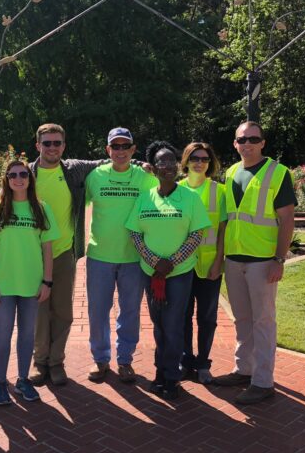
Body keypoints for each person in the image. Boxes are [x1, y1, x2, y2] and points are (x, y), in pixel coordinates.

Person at [214, 121, 296, 405]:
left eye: (253, 138)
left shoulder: (278, 173)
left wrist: (279, 259)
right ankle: (243, 369)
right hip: (235, 259)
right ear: (235, 144)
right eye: (241, 139)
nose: (246, 143)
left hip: (263, 261)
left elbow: (287, 218)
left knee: (263, 321)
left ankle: (263, 382)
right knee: (242, 319)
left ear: (263, 142)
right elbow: (228, 220)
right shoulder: (231, 172)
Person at [126, 141, 210, 400]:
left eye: (172, 161)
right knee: (159, 325)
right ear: (154, 167)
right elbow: (134, 232)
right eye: (161, 162)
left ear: (178, 165)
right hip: (151, 273)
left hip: (179, 274)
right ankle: (160, 372)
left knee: (173, 325)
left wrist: (172, 261)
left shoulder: (190, 198)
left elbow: (197, 233)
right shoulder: (145, 197)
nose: (167, 166)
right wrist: (153, 261)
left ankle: (171, 376)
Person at [27, 123, 107, 387]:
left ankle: (56, 362)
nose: (52, 148)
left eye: (57, 143)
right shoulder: (26, 173)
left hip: (63, 253)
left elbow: (110, 159)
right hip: (31, 253)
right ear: (37, 145)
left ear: (64, 145)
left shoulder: (73, 170)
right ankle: (39, 362)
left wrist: (143, 165)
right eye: (47, 143)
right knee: (38, 311)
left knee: (62, 311)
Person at [85, 128, 157, 383]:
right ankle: (101, 359)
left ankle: (125, 360)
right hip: (100, 255)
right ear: (107, 150)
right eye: (115, 146)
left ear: (133, 149)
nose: (120, 151)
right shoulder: (95, 177)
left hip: (133, 257)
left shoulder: (145, 178)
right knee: (98, 310)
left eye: (125, 146)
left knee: (129, 311)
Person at [0, 161, 58, 406]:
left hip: (32, 284)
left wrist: (47, 281)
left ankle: (23, 379)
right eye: (13, 174)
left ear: (29, 178)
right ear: (6, 179)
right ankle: (1, 383)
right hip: (3, 285)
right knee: (2, 335)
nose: (18, 178)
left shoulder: (41, 208)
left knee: (27, 334)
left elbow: (48, 249)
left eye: (23, 174)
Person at [178, 142, 226, 385]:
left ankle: (203, 363)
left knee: (207, 318)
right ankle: (186, 361)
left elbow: (222, 231)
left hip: (209, 267)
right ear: (186, 161)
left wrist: (219, 262)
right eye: (195, 158)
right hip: (182, 267)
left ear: (210, 163)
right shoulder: (176, 190)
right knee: (183, 316)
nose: (199, 162)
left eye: (204, 159)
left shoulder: (220, 191)